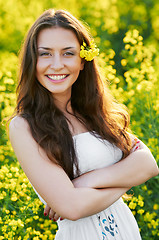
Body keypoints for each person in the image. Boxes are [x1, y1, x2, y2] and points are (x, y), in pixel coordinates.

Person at [9, 9, 159, 240]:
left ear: (83, 61)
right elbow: (72, 208)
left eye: (68, 53)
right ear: (32, 61)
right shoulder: (24, 126)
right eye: (45, 54)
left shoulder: (96, 112)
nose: (57, 65)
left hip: (126, 231)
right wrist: (127, 180)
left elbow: (148, 164)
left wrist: (84, 182)